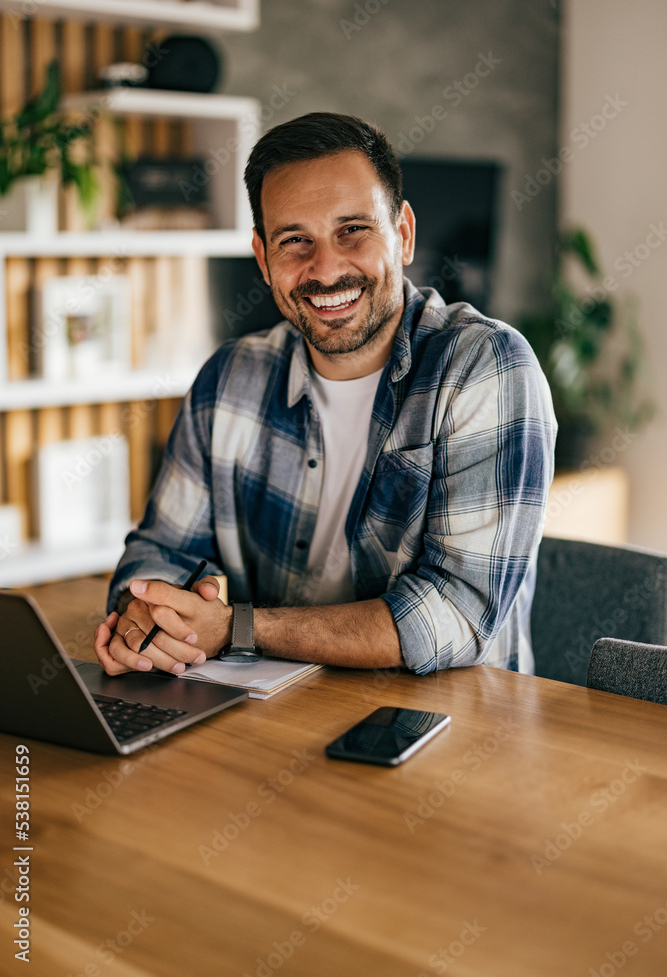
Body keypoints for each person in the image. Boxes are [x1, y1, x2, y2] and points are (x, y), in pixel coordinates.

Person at [94, 111, 557, 679]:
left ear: (403, 235)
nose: (326, 268)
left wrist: (237, 627)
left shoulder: (485, 368)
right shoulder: (227, 380)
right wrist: (150, 612)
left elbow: (457, 616)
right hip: (270, 716)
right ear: (264, 260)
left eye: (352, 231)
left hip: (452, 734)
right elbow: (157, 550)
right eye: (295, 241)